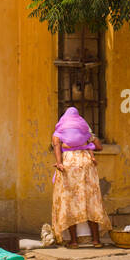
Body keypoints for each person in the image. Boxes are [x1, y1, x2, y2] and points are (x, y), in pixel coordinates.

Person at [51, 106, 112, 248]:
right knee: (91, 200)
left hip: (69, 165)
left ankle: (73, 241)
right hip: (86, 164)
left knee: (70, 200)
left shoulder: (59, 131)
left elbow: (56, 148)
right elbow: (99, 146)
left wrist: (59, 163)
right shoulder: (84, 130)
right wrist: (88, 143)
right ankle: (96, 240)